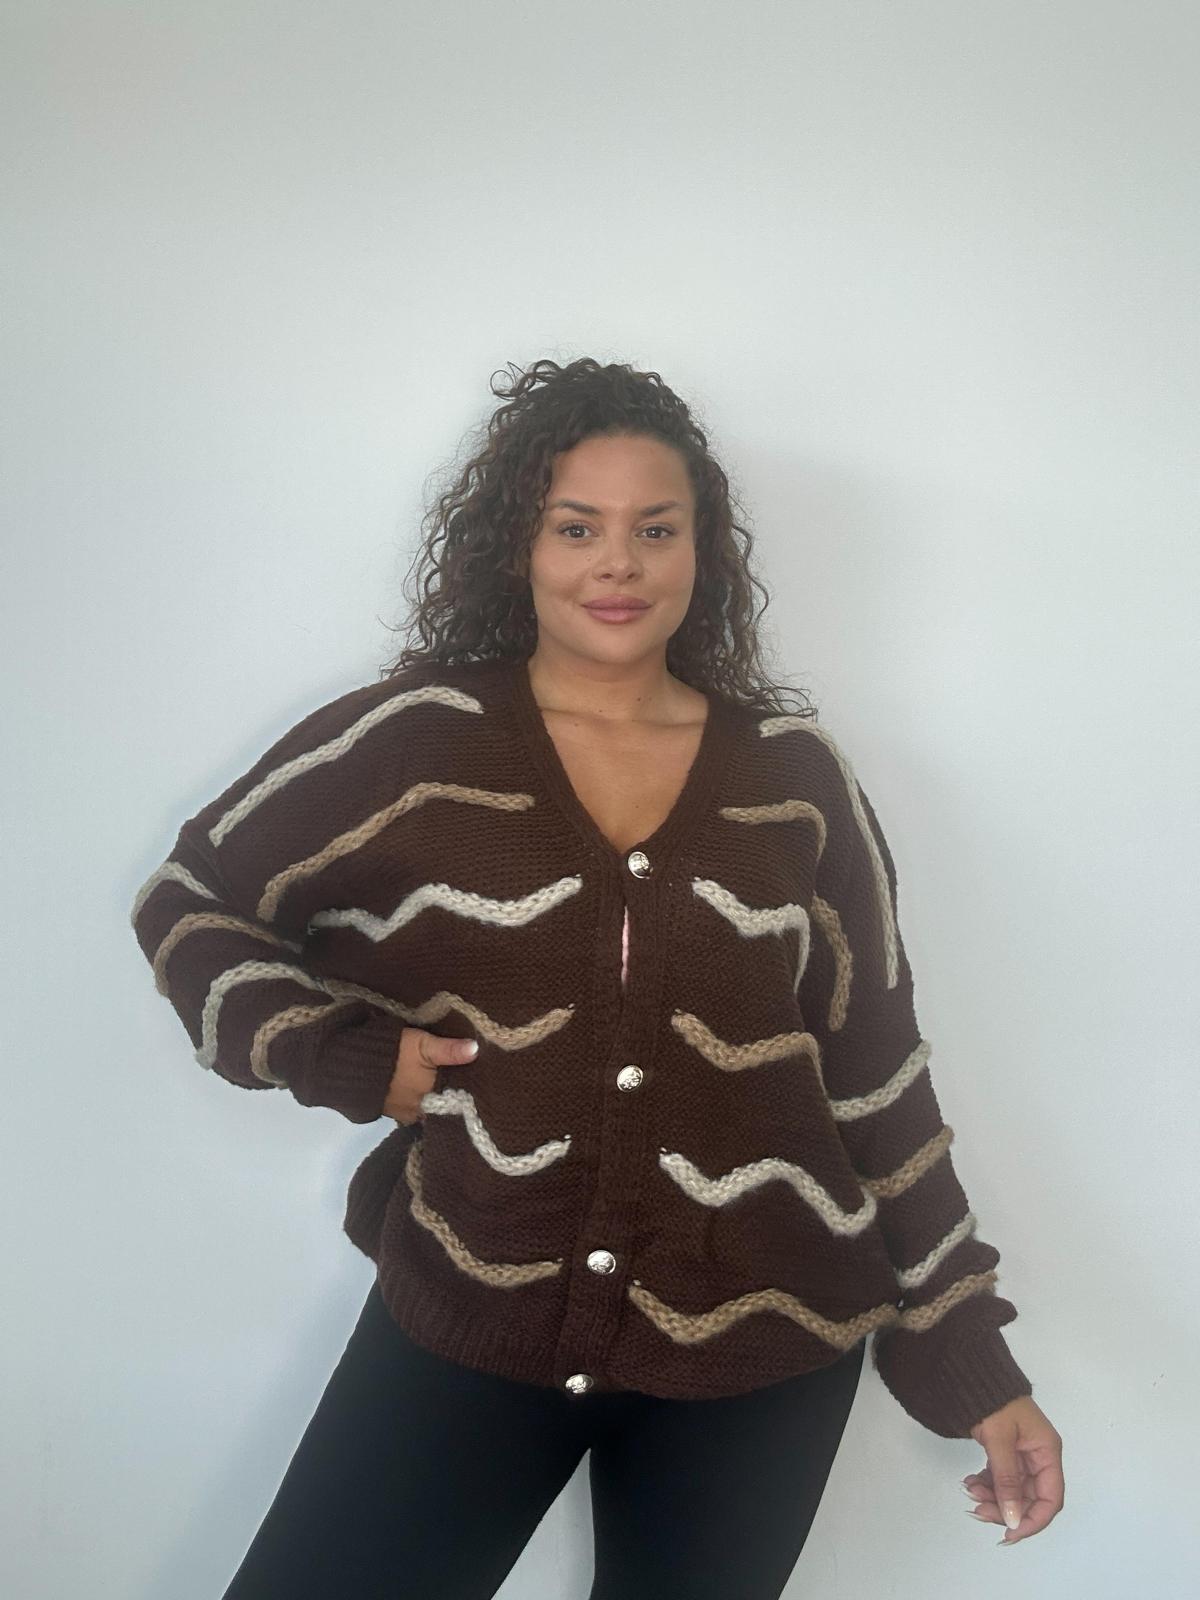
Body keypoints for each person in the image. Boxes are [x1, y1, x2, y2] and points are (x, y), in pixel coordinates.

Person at [131, 357, 1064, 1598]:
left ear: (701, 551)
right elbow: (189, 901)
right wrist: (339, 1052)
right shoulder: (415, 743)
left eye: (654, 529)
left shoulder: (795, 777)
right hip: (474, 1307)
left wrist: (969, 1356)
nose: (617, 563)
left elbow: (874, 1072)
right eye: (577, 527)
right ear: (517, 544)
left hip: (767, 1346)